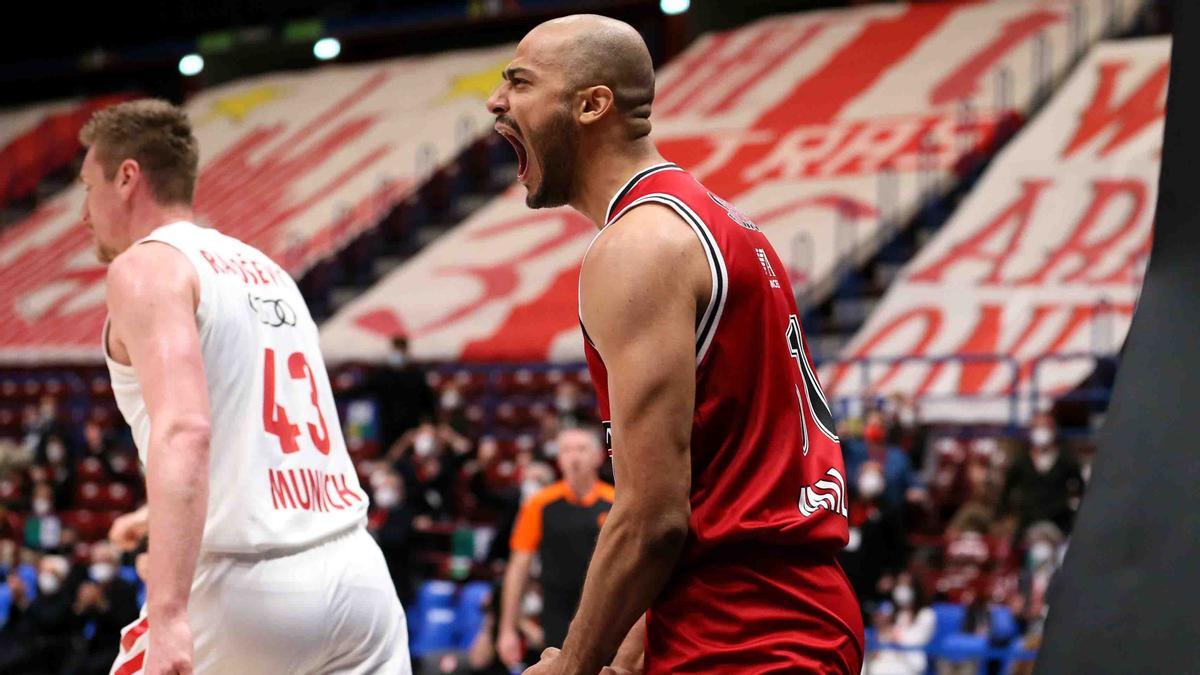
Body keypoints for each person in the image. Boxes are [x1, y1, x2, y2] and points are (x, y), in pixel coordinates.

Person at [486, 15, 863, 673]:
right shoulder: (722, 225)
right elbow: (704, 489)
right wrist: (628, 651)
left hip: (746, 633)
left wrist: (573, 663)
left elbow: (652, 517)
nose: (496, 101)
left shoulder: (640, 246)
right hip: (775, 614)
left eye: (518, 82)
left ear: (591, 104)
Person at [80, 99, 408, 674]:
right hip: (359, 575)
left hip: (249, 587)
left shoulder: (144, 267)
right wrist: (159, 511)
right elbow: (262, 435)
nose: (83, 212)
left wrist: (170, 612)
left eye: (88, 187)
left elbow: (186, 429)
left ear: (127, 177)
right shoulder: (265, 268)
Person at [498, 427, 614, 671]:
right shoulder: (539, 504)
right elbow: (518, 566)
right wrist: (507, 628)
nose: (574, 457)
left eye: (581, 449)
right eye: (567, 450)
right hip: (556, 615)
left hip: (607, 615)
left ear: (598, 456)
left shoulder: (615, 502)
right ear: (558, 458)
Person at [999, 413, 1085, 536]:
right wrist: (1003, 517)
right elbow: (1006, 492)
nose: (1041, 431)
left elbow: (1081, 489)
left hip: (1060, 524)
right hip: (1027, 524)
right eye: (1037, 427)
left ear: (1053, 430)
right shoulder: (1021, 462)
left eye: (1045, 427)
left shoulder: (1067, 461)